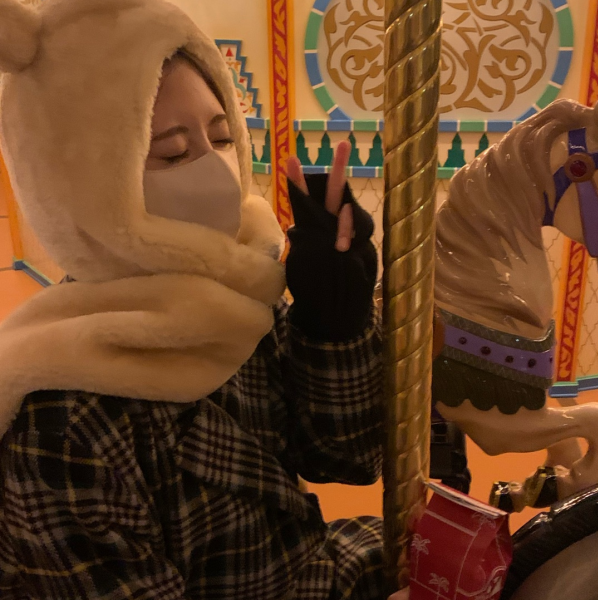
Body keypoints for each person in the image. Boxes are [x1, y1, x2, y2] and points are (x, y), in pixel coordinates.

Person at [0, 0, 395, 598]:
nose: (220, 173)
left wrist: (333, 321)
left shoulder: (236, 297)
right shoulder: (60, 422)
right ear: (82, 181)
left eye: (223, 136)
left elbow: (348, 458)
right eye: (172, 153)